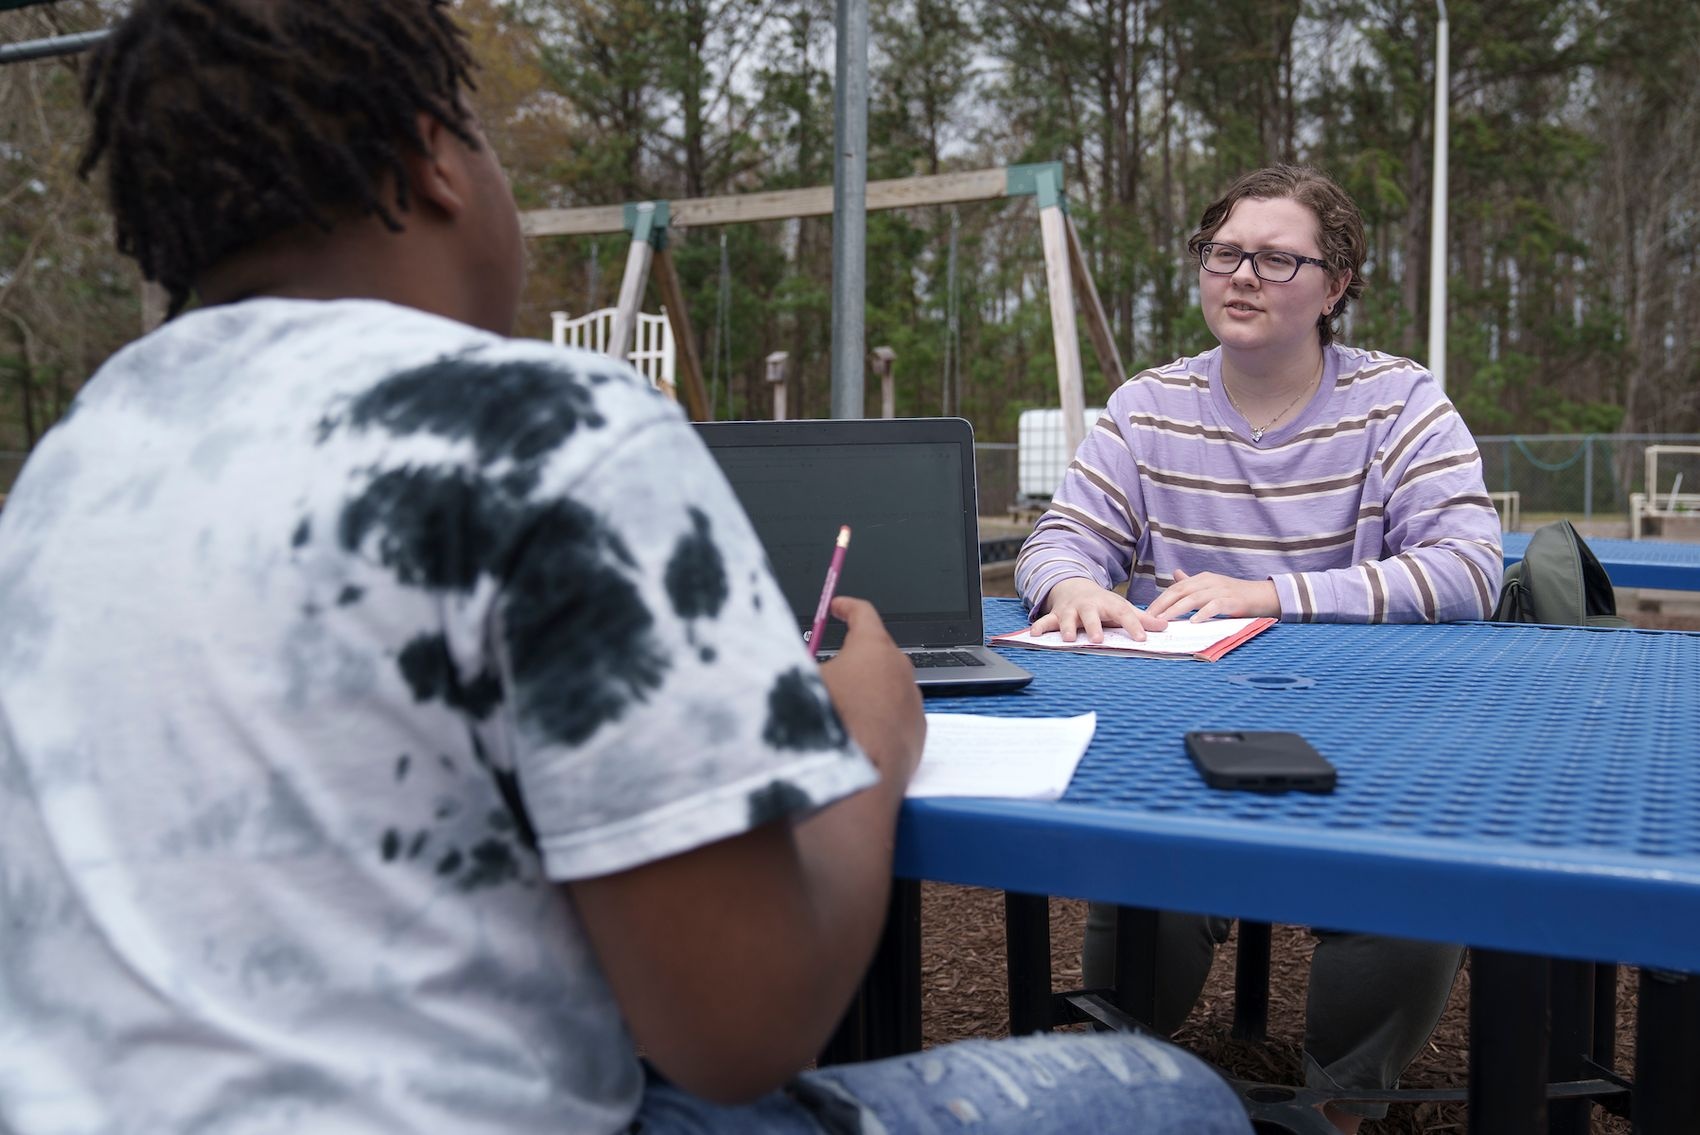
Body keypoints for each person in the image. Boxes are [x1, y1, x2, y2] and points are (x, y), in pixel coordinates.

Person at [0, 3, 1253, 1133]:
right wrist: (872, 741)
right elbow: (738, 1029)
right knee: (1173, 1095)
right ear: (438, 158)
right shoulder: (549, 431)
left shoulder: (82, 453)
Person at [1014, 164, 1504, 1132]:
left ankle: (1338, 1105)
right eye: (1223, 253)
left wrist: (1269, 593)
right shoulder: (1146, 405)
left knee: (1401, 876)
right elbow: (1060, 536)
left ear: (1333, 286)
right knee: (1148, 869)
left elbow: (1466, 569)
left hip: (1370, 725)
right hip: (1182, 720)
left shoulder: (1397, 401)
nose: (1241, 275)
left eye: (1277, 258)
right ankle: (1119, 1085)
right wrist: (1070, 583)